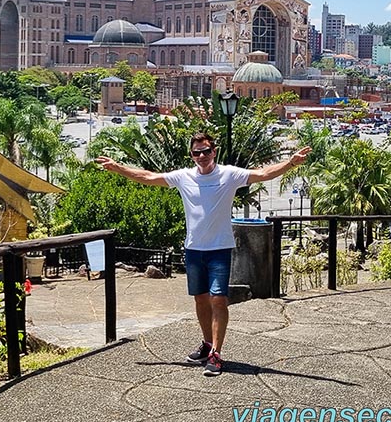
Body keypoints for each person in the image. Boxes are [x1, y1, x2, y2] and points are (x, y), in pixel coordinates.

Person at [96, 132, 310, 377]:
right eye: (196, 152)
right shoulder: (183, 177)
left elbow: (263, 173)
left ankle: (216, 354)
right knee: (200, 299)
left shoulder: (229, 174)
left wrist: (291, 163)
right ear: (191, 155)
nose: (201, 156)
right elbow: (149, 177)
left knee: (218, 299)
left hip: (219, 248)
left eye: (206, 151)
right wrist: (118, 168)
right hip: (194, 249)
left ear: (214, 151)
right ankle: (208, 344)